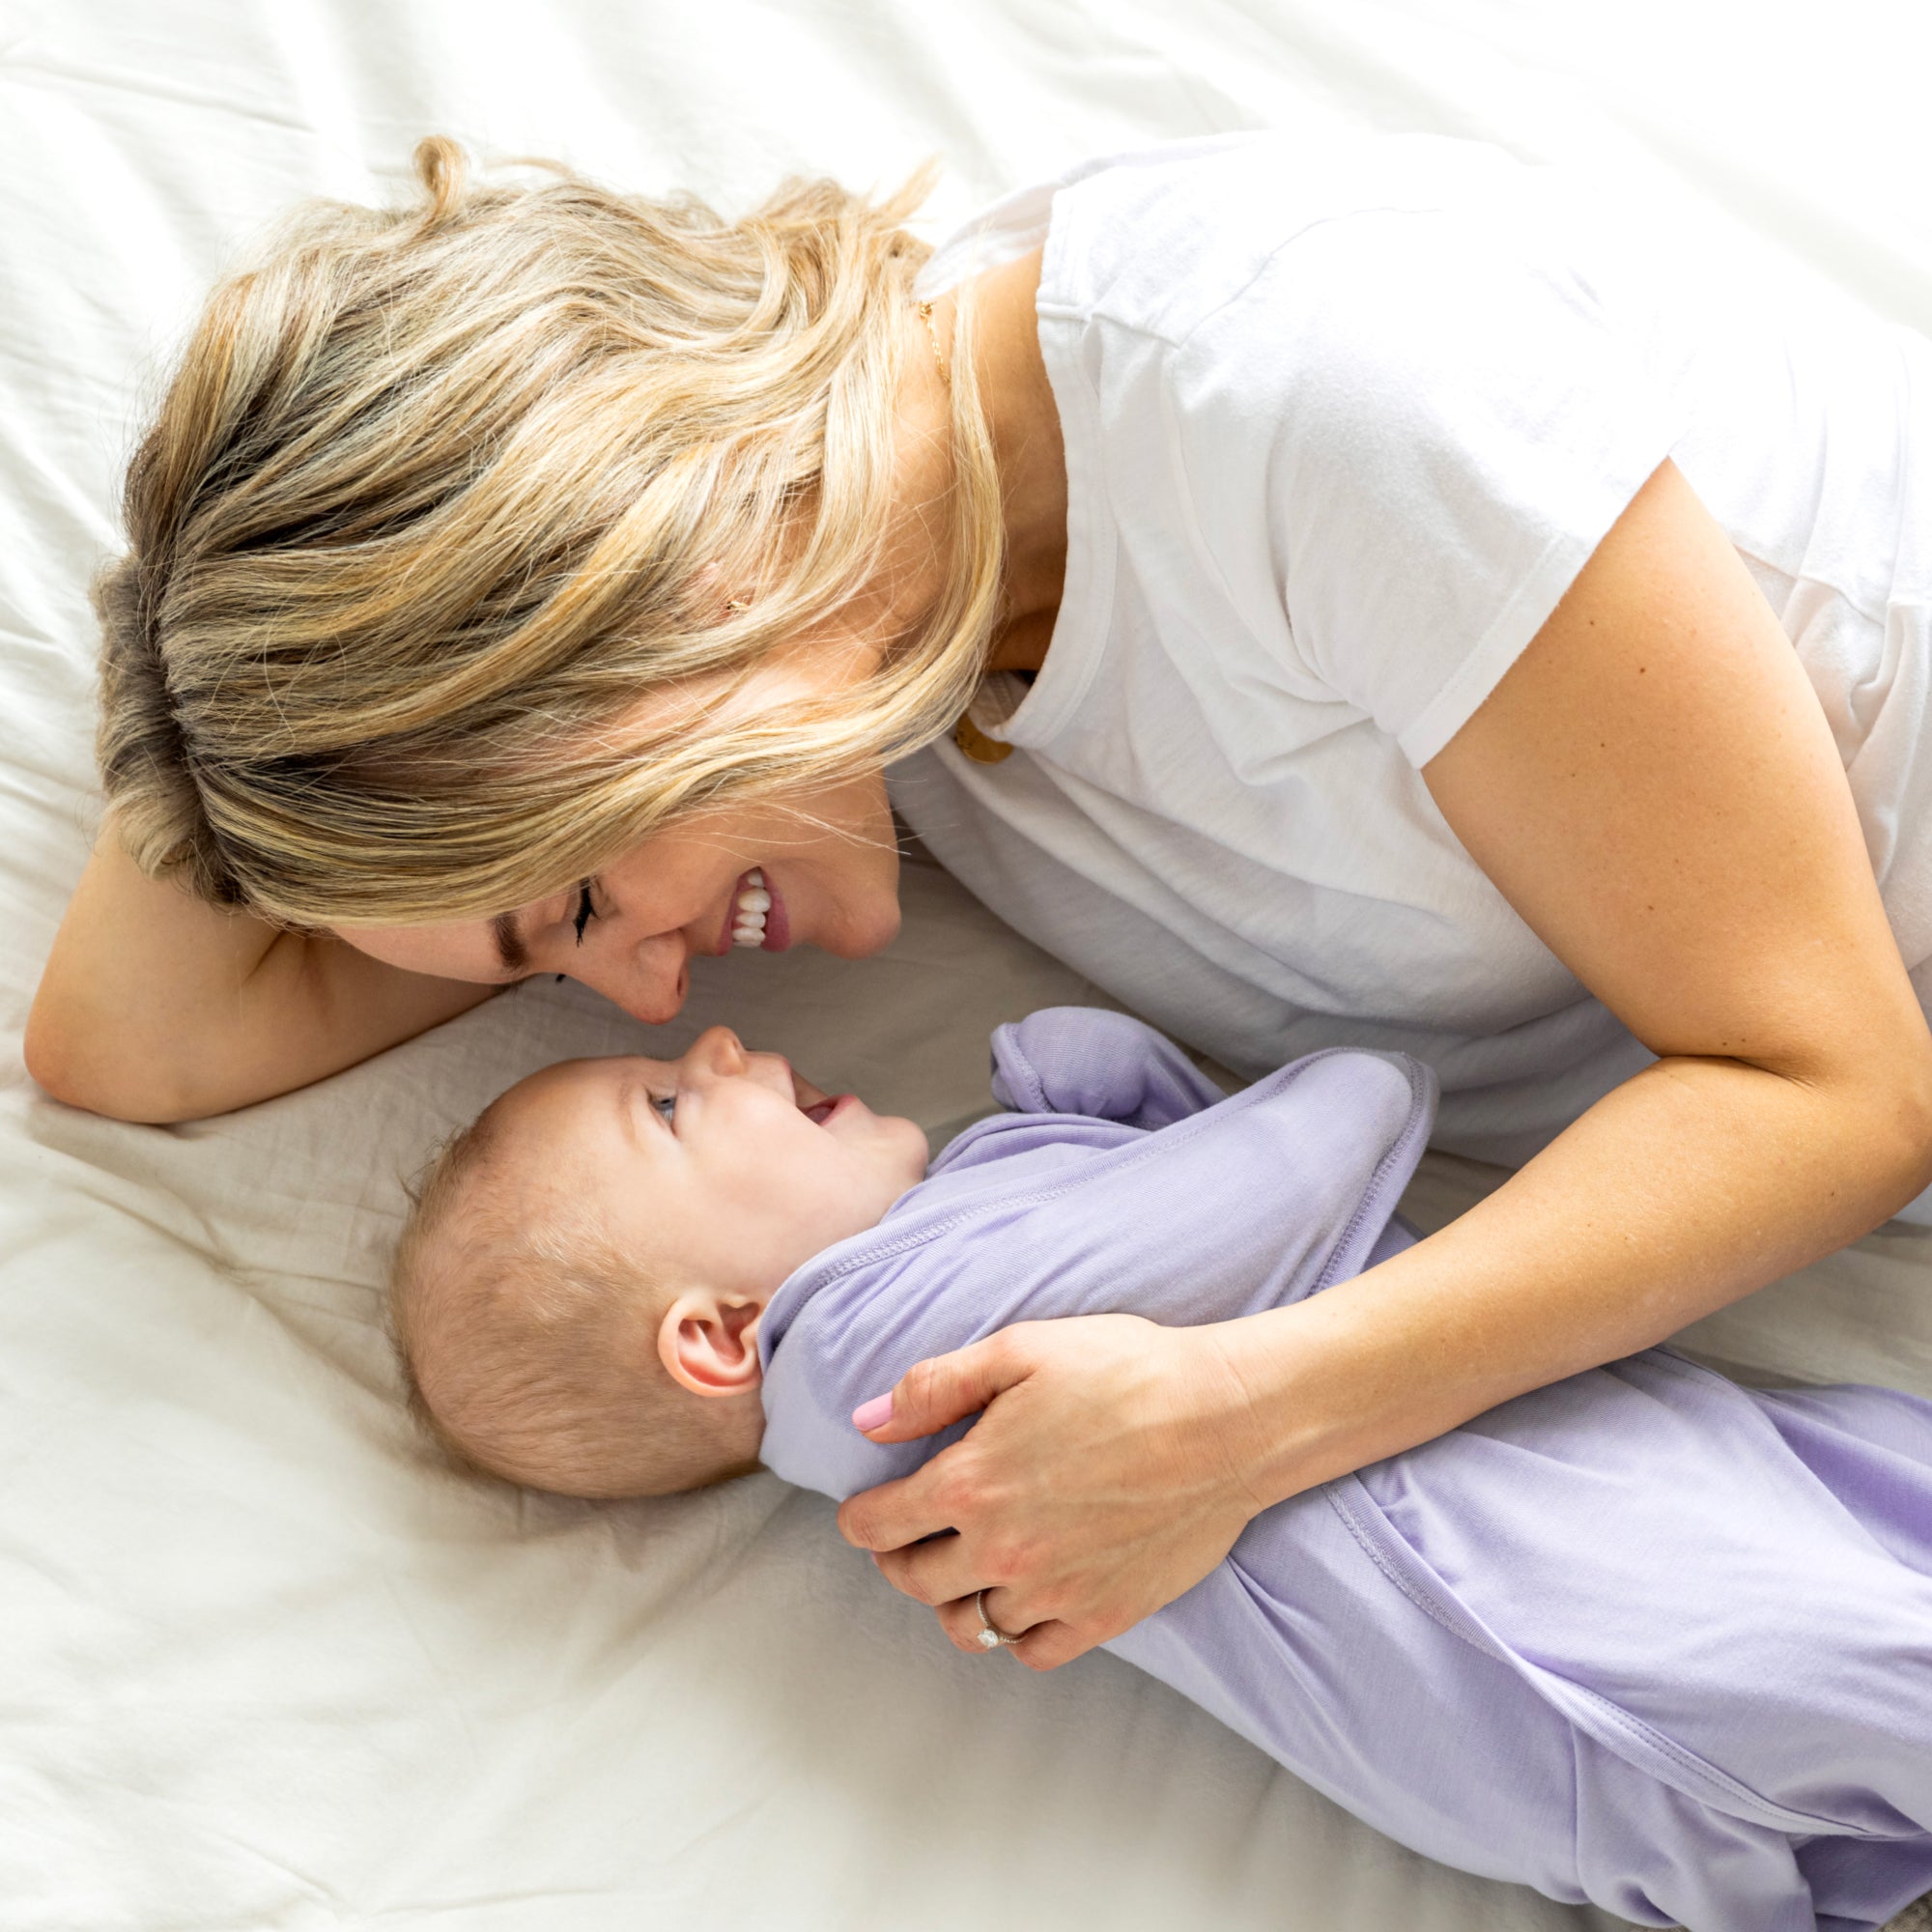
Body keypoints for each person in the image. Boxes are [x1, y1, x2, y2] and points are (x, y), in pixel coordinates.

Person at [26, 128, 1932, 1672]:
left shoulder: (1314, 406)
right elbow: (137, 1043)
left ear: (649, 591)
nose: (643, 987)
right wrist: (256, 672)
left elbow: (1835, 1086)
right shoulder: (867, 657)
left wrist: (1243, 1414)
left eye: (587, 891)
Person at [389, 1009, 1932, 1932]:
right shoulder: (880, 1352)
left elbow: (1195, 1227)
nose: (719, 1045)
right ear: (720, 1340)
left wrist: (1078, 1113)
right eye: (668, 1105)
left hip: (1566, 1514)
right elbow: (1321, 1145)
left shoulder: (934, 1294)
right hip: (1552, 1616)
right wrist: (1315, 1081)